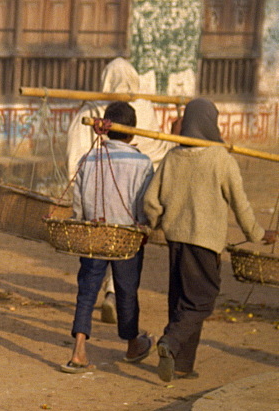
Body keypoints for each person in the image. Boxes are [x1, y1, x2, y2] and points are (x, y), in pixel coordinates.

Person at [144, 98, 277, 382]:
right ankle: (170, 341)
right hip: (204, 243)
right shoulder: (221, 159)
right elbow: (240, 204)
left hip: (176, 240)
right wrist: (257, 233)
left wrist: (151, 224)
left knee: (180, 300)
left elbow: (151, 201)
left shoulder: (172, 157)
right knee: (201, 303)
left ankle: (182, 365)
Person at [66, 58, 172, 324]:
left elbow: (75, 156)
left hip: (98, 198)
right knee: (125, 253)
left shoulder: (91, 109)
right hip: (133, 195)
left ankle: (80, 339)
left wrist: (79, 209)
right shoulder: (144, 108)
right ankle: (120, 311)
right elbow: (156, 153)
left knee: (93, 263)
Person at [61, 102, 154, 374]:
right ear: (132, 132)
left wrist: (82, 220)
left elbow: (78, 204)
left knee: (87, 292)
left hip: (94, 234)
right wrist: (143, 224)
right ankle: (132, 344)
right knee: (126, 291)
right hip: (126, 237)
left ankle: (78, 350)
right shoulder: (143, 162)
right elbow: (145, 205)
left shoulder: (87, 160)